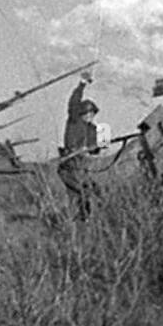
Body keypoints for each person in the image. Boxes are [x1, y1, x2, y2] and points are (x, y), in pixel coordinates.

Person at [58, 71, 101, 219]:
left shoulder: (93, 129)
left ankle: (85, 218)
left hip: (83, 166)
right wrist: (82, 84)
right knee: (79, 191)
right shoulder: (74, 120)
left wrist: (96, 147)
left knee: (93, 190)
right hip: (69, 163)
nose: (91, 116)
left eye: (93, 113)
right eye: (89, 113)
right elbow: (73, 102)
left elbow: (95, 149)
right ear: (82, 112)